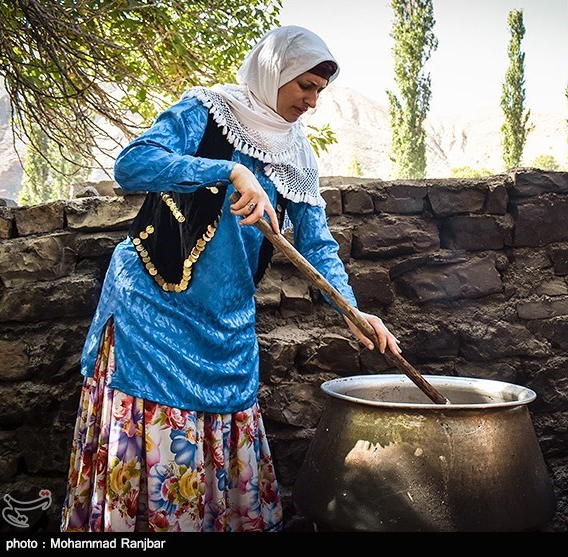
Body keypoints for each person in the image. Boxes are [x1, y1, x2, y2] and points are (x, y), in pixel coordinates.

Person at [60, 25, 401, 533]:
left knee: (225, 427)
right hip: (153, 306)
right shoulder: (207, 111)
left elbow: (318, 246)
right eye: (304, 86)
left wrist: (352, 312)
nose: (310, 102)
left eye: (319, 92)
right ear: (275, 73)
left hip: (227, 318)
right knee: (158, 433)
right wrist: (227, 172)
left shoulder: (296, 154)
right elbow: (131, 166)